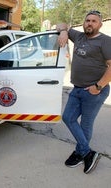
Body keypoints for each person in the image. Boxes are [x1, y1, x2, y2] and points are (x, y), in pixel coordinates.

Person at [56, 10, 111, 174]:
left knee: (86, 124)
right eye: (87, 20)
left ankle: (81, 152)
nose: (90, 23)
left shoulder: (105, 41)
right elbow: (60, 24)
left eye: (94, 21)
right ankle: (87, 152)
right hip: (77, 88)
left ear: (100, 24)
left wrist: (98, 86)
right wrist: (65, 31)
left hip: (94, 91)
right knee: (68, 117)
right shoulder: (79, 36)